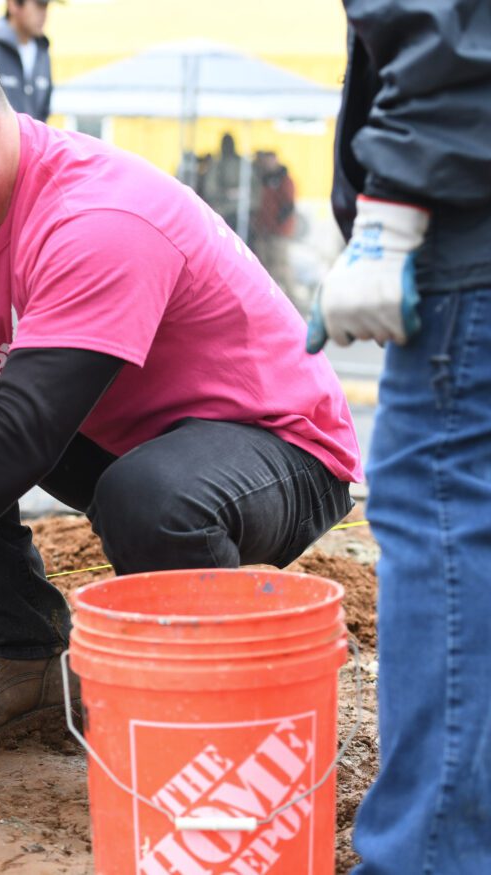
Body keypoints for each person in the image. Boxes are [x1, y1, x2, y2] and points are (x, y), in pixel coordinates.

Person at [0, 26, 362, 752]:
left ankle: (214, 715)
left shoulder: (96, 217)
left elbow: (27, 429)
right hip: (132, 440)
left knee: (148, 498)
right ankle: (25, 662)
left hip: (282, 451)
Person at [307, 2, 491, 872]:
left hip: (468, 237)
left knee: (444, 523)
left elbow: (444, 24)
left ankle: (431, 851)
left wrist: (390, 210)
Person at [0, 0, 59, 122]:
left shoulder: (43, 53)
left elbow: (44, 112)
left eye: (46, 6)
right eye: (39, 5)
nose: (44, 14)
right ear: (13, 4)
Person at [248, 150, 296, 302]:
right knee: (265, 265)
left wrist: (276, 223)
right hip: (264, 229)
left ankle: (290, 298)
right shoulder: (263, 179)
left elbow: (288, 206)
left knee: (280, 266)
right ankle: (270, 298)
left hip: (278, 231)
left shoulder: (284, 180)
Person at [201, 131, 243, 231]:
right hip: (221, 210)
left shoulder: (242, 164)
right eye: (226, 144)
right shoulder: (216, 164)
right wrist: (226, 194)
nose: (228, 147)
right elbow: (210, 190)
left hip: (240, 212)